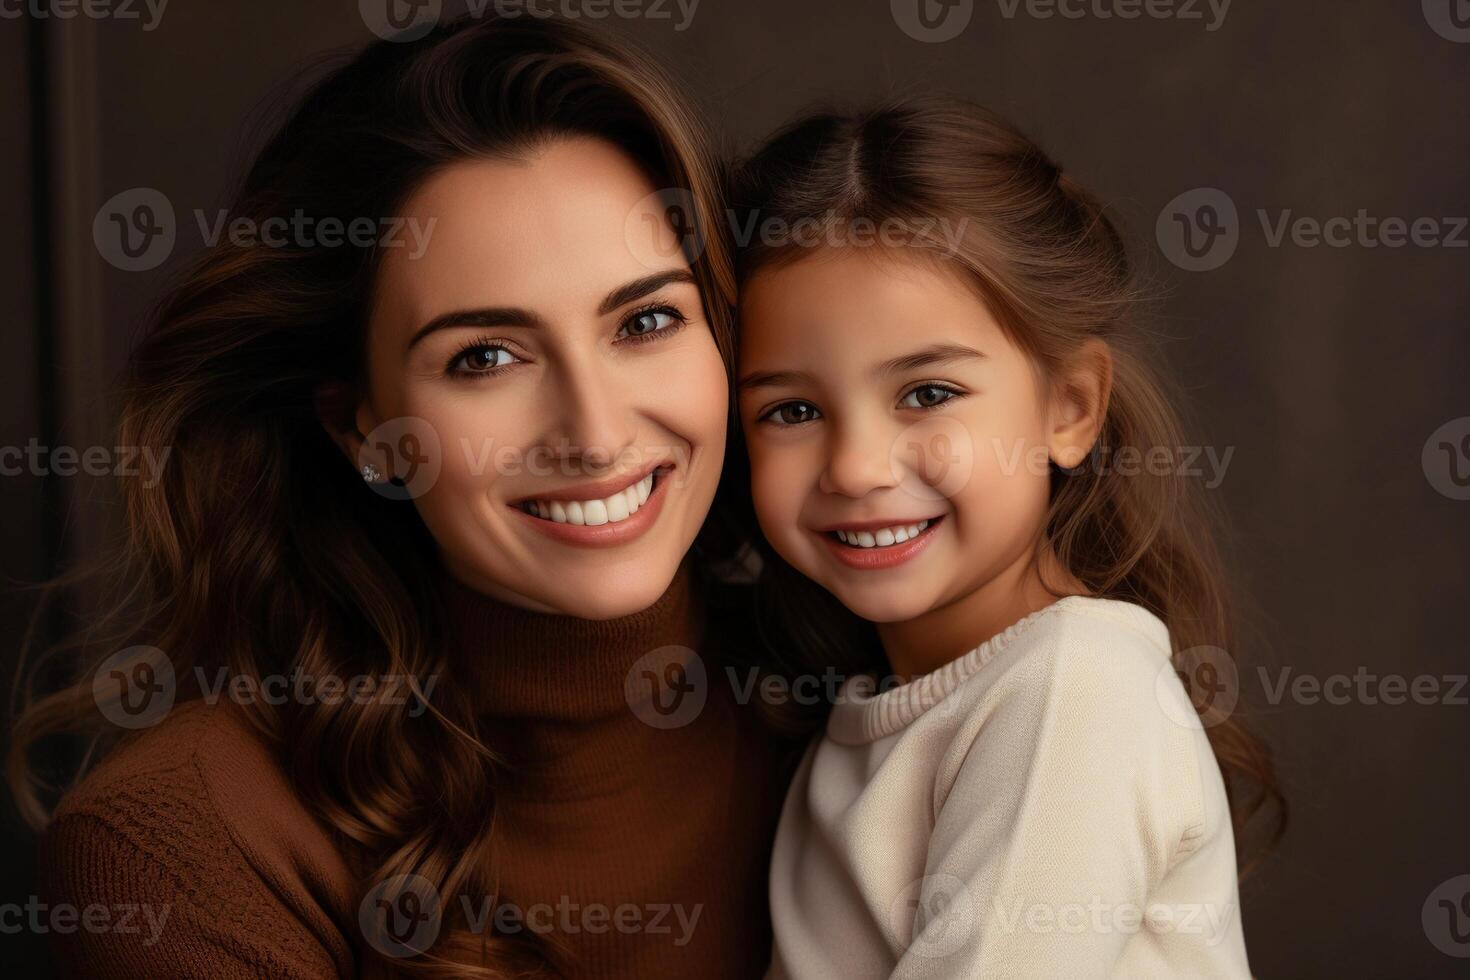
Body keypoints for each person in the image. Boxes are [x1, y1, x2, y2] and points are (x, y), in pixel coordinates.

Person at [10, 14, 785, 978]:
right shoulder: (183, 843)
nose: (593, 431)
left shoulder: (870, 701)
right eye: (485, 357)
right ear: (362, 426)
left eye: (648, 320)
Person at [730, 97, 1284, 978]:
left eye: (928, 393)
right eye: (792, 410)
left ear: (1069, 408)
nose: (858, 467)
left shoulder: (1073, 688)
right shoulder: (865, 719)